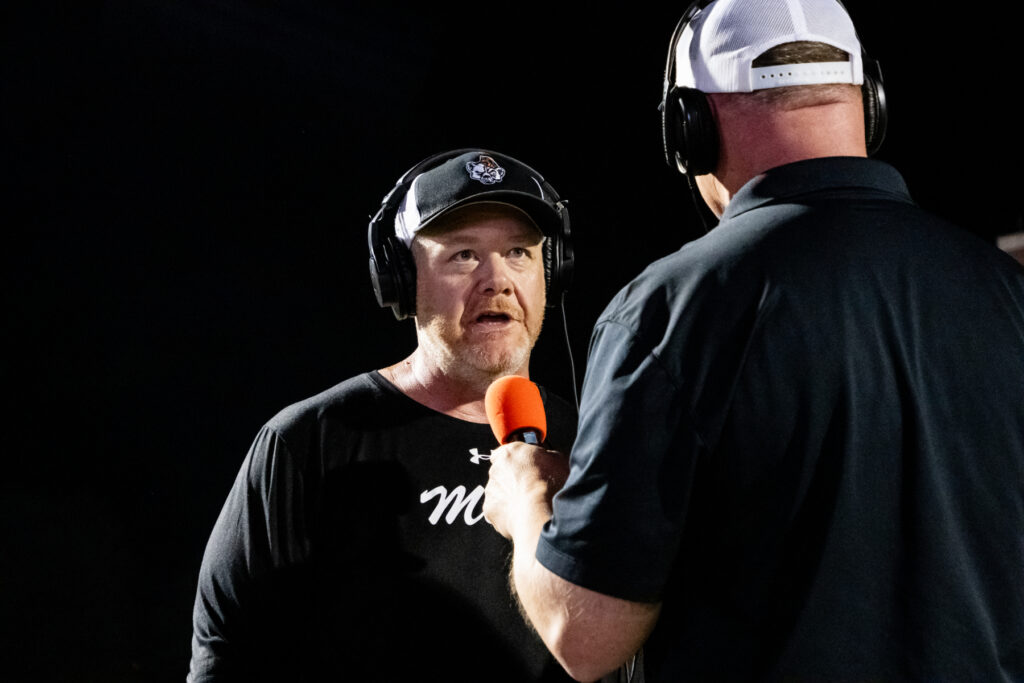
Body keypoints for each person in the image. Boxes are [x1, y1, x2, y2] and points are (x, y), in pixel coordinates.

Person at [483, 1, 1024, 681]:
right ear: (870, 101)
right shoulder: (1007, 293)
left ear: (691, 127)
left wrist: (526, 502)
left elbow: (584, 633)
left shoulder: (670, 310)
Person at [187, 148, 579, 682]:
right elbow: (224, 651)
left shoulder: (593, 440)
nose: (497, 280)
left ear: (550, 271)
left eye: (519, 252)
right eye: (463, 255)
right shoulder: (308, 442)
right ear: (400, 279)